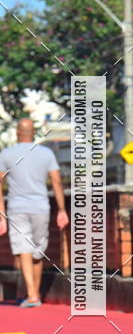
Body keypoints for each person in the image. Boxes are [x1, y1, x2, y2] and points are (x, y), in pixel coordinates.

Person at [0, 117, 69, 307]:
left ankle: (34, 294)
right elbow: (56, 180)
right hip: (41, 207)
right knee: (33, 250)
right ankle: (32, 295)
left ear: (17, 132)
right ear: (34, 133)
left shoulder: (6, 153)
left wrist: (1, 214)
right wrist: (62, 209)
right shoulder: (46, 153)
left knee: (29, 251)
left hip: (17, 208)